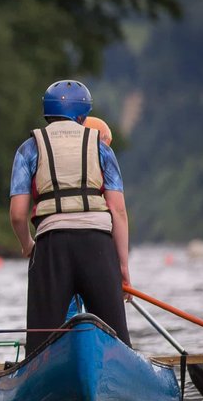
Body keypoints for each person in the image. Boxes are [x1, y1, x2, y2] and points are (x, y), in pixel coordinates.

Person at [8, 80, 129, 354]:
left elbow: (18, 214)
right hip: (98, 244)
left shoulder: (28, 149)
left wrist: (28, 245)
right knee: (117, 339)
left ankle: (39, 379)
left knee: (40, 343)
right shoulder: (102, 148)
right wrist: (122, 268)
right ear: (83, 117)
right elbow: (118, 212)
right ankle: (120, 377)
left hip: (51, 245)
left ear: (47, 114)